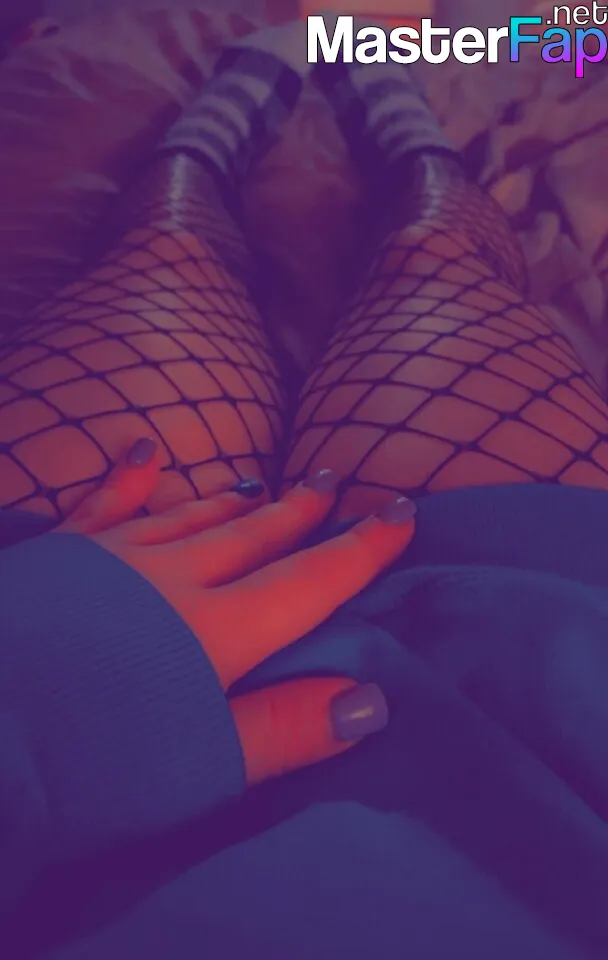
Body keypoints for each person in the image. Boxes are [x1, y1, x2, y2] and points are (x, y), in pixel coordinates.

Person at [1, 20, 608, 960]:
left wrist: (27, 708)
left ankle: (204, 150)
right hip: (550, 689)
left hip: (48, 642)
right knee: (433, 257)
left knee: (165, 257)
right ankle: (410, 143)